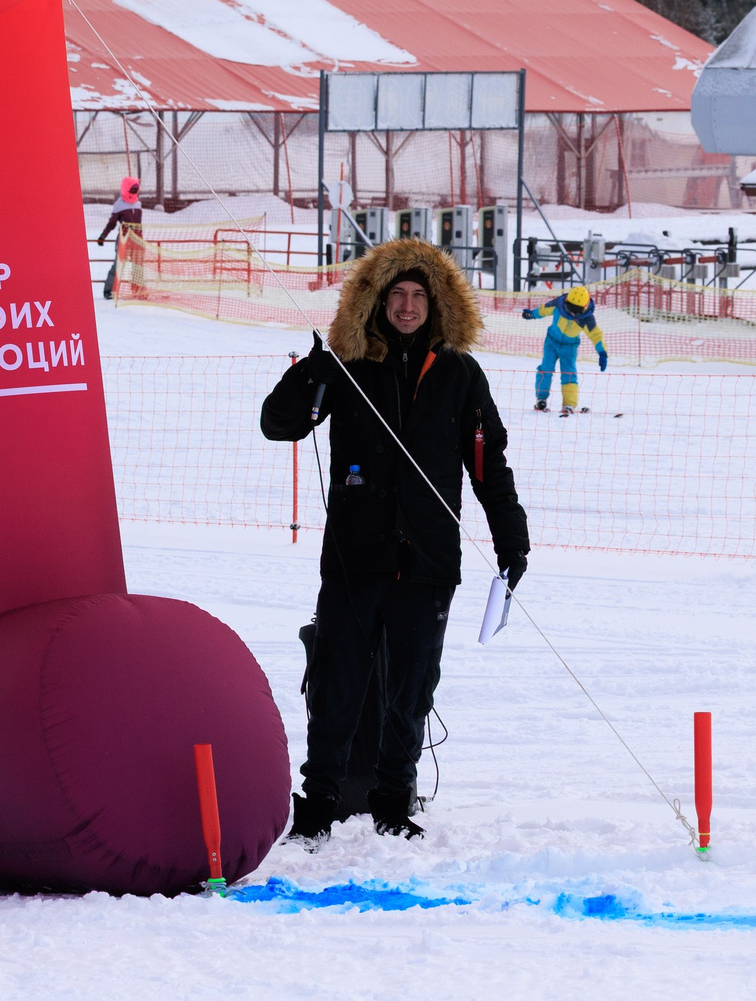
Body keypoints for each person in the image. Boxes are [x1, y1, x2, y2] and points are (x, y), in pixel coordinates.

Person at [260, 238, 530, 844]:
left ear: (438, 305)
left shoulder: (460, 372)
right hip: (356, 559)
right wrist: (311, 370)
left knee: (412, 686)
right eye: (396, 295)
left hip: (429, 560)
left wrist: (512, 541)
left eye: (418, 296)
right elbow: (279, 426)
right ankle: (321, 798)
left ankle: (392, 797)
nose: (407, 307)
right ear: (376, 301)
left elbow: (489, 464)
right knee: (338, 682)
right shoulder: (348, 364)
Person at [520, 283, 607, 416]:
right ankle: (541, 398)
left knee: (569, 373)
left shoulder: (587, 319)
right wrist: (533, 314)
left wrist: (602, 352)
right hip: (551, 342)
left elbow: (596, 335)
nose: (572, 312)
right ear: (566, 301)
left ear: (584, 308)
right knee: (546, 368)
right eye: (570, 307)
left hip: (569, 347)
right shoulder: (558, 305)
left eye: (576, 310)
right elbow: (544, 309)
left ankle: (569, 404)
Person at [96, 175, 144, 299]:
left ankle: (138, 291)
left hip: (137, 240)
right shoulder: (119, 204)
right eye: (132, 189)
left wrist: (140, 239)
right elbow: (112, 223)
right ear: (125, 189)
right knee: (118, 265)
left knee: (138, 267)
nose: (134, 191)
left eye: (136, 189)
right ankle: (108, 290)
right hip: (124, 240)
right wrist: (103, 236)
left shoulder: (138, 203)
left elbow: (138, 224)